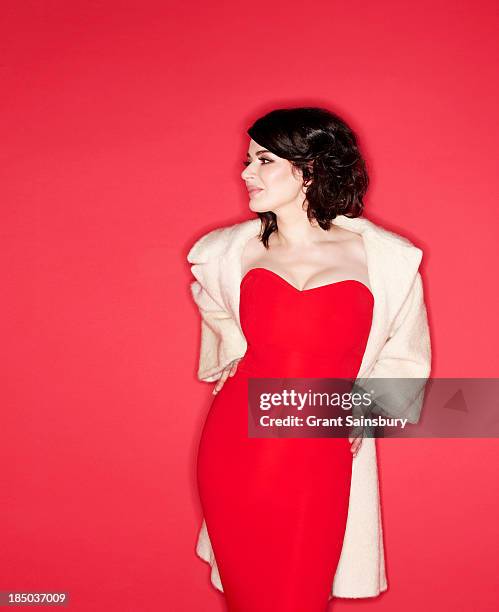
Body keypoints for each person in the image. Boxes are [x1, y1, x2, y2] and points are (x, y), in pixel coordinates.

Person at [188, 107, 431, 611]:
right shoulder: (230, 252)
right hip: (235, 442)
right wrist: (232, 347)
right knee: (248, 596)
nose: (245, 173)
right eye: (247, 160)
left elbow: (406, 357)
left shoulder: (385, 259)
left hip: (320, 451)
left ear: (312, 167)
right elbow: (213, 301)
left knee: (300, 592)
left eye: (263, 159)